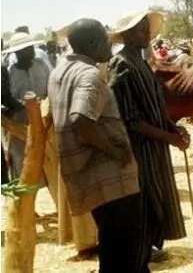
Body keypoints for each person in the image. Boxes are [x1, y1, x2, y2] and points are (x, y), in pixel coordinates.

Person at [48, 18, 142, 272]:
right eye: (104, 39)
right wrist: (115, 151)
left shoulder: (59, 72)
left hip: (85, 174)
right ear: (91, 44)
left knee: (115, 246)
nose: (109, 45)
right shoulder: (89, 75)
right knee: (122, 251)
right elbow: (80, 120)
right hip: (110, 178)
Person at [108, 11, 189, 264]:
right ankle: (139, 260)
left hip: (156, 148)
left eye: (147, 28)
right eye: (141, 29)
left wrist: (173, 128)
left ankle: (147, 254)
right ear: (128, 34)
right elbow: (131, 120)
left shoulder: (142, 62)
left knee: (158, 201)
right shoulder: (121, 64)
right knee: (144, 204)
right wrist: (169, 137)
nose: (148, 33)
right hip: (139, 150)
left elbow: (154, 105)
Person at [3, 31, 51, 178]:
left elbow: (51, 85)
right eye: (24, 50)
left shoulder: (41, 64)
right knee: (22, 157)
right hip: (20, 122)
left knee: (48, 153)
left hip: (44, 116)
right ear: (17, 53)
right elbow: (7, 98)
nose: (29, 52)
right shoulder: (10, 72)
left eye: (30, 48)